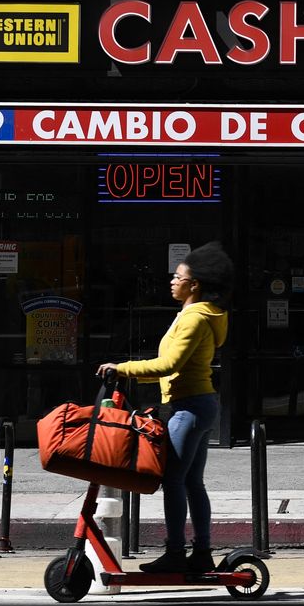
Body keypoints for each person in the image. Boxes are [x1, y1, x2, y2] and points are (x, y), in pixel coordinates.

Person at [96, 241, 233, 573]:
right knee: (191, 481)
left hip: (189, 406)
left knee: (173, 479)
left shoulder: (195, 319)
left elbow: (169, 363)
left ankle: (176, 553)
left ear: (194, 284)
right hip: (196, 403)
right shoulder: (196, 314)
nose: (172, 280)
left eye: (179, 276)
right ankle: (201, 552)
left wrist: (122, 368)